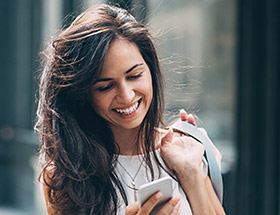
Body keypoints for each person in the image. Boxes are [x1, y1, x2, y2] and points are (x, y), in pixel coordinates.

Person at [35, 4, 225, 215]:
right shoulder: (65, 176)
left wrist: (191, 174)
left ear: (150, 70)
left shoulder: (186, 151)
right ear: (83, 94)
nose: (126, 96)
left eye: (134, 76)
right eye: (105, 86)